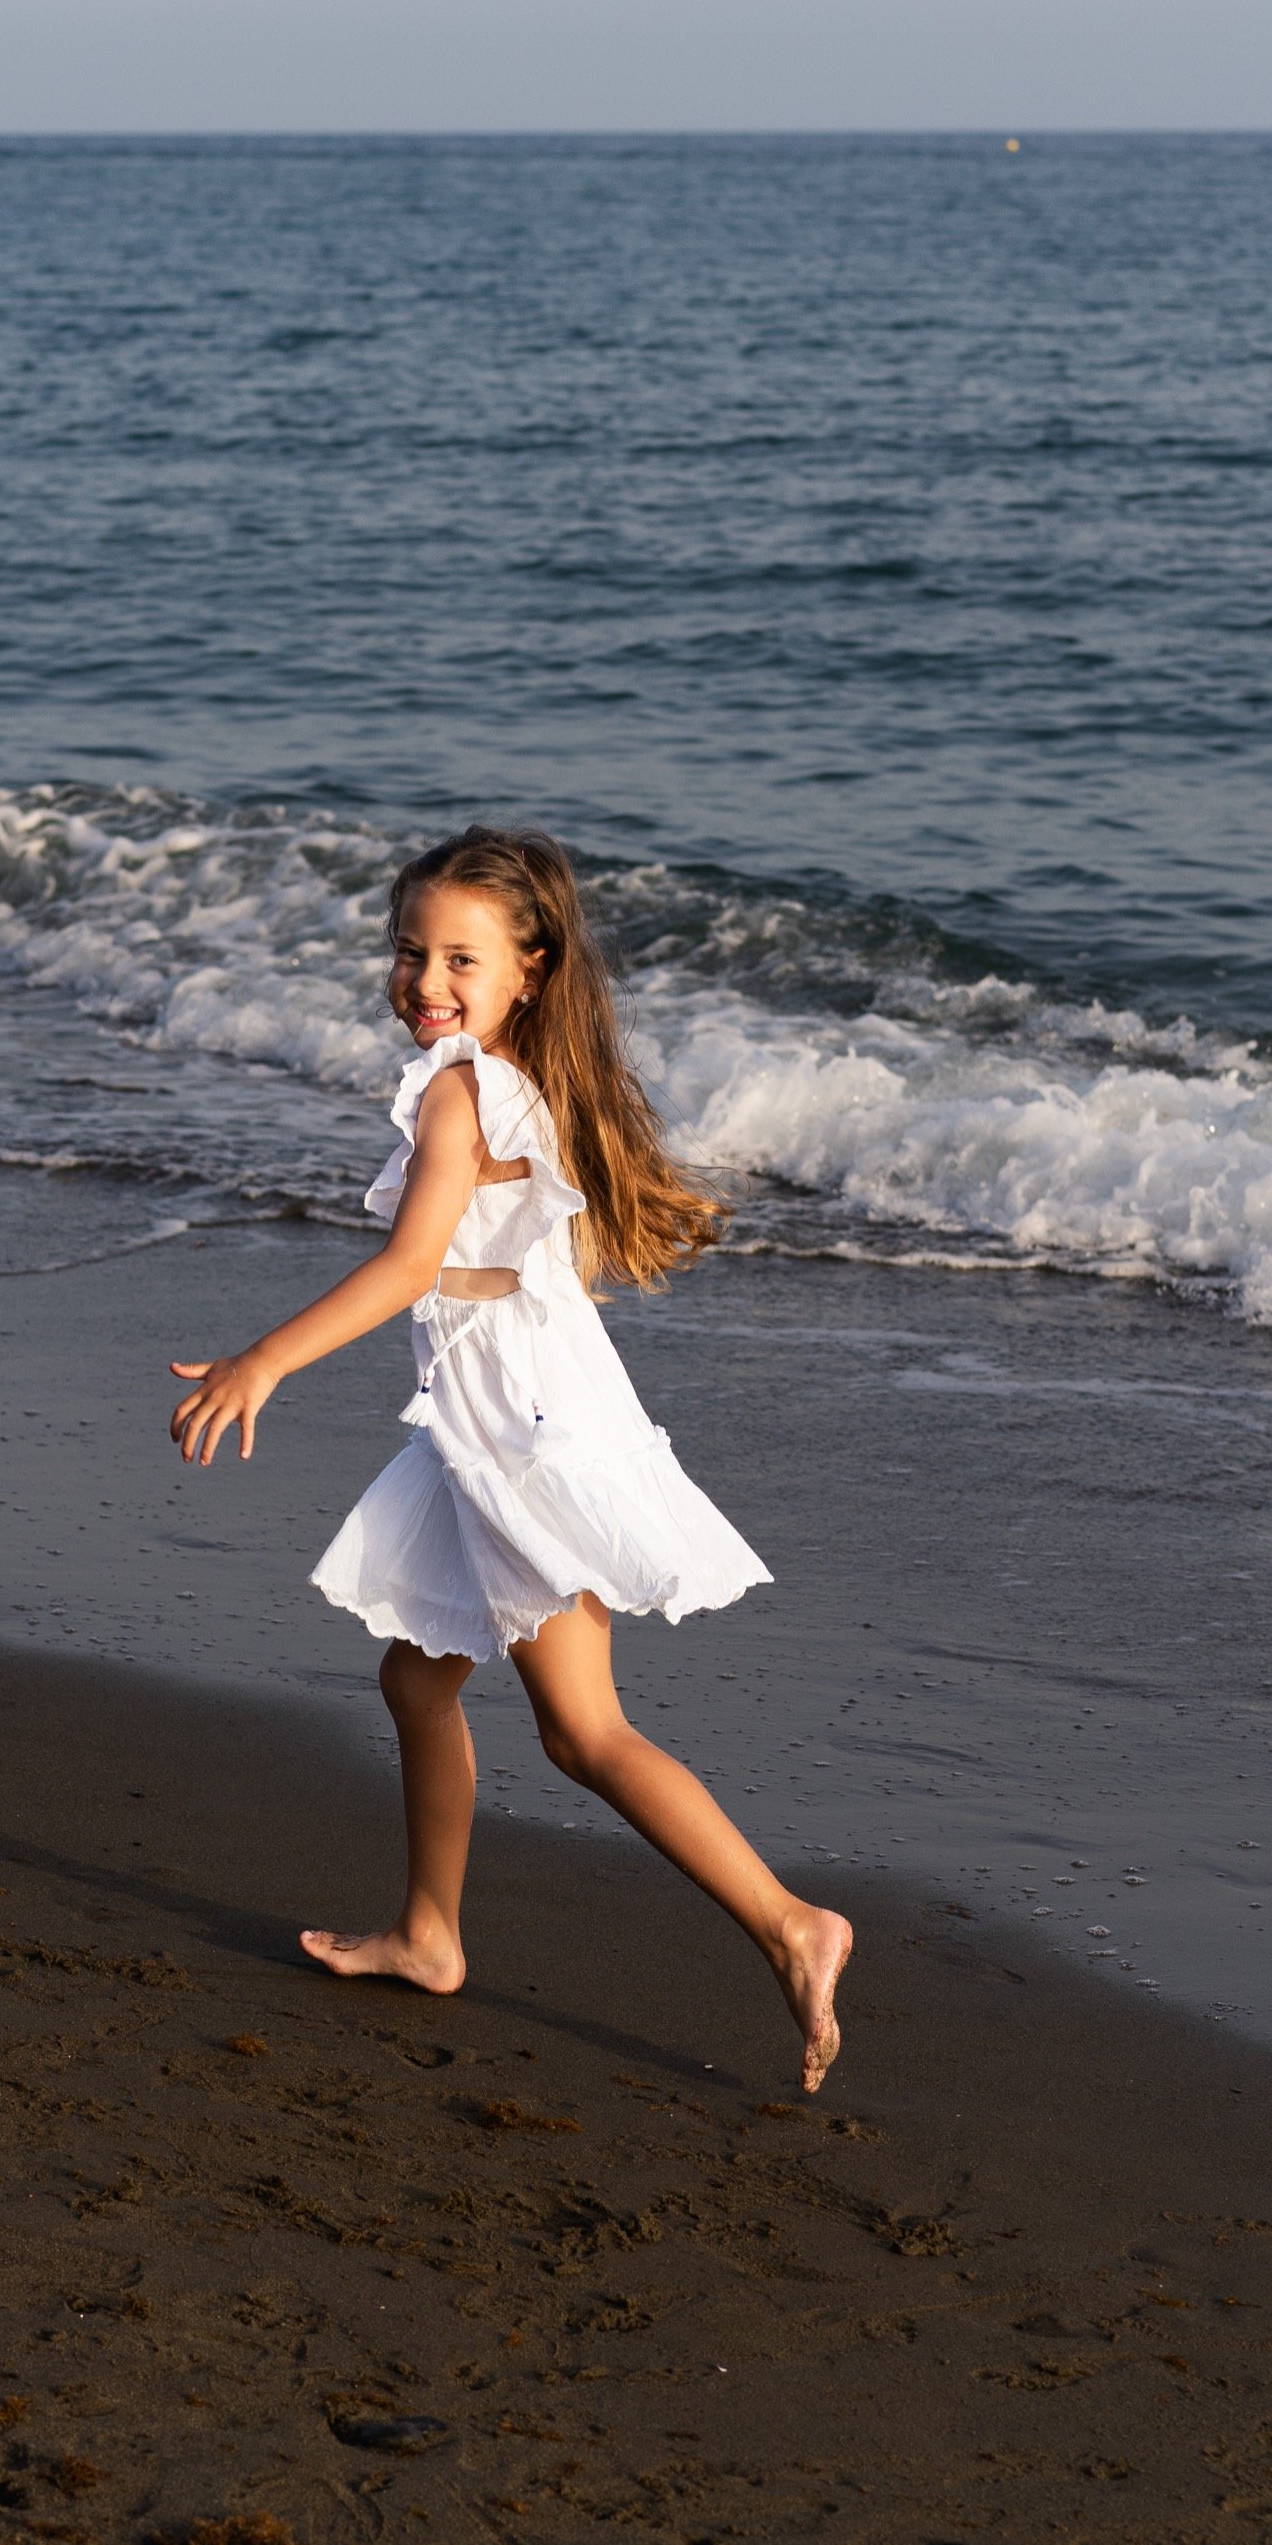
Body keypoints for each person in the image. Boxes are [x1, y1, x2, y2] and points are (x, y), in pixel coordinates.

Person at [170, 825, 851, 2092]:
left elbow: (414, 1265)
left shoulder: (460, 1089)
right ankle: (431, 1931)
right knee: (417, 1679)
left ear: (528, 968)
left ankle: (790, 1923)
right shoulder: (512, 1072)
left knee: (584, 1731)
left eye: (461, 958)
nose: (427, 978)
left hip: (517, 1432)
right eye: (411, 950)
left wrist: (263, 1360)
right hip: (505, 1410)